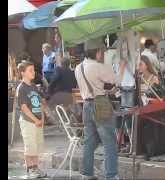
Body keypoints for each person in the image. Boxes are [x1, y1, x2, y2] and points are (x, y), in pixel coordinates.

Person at [75, 37, 119, 180]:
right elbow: (114, 80)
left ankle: (87, 174)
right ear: (97, 52)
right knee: (109, 142)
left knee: (89, 142)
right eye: (102, 52)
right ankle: (111, 175)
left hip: (86, 105)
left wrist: (104, 91)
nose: (102, 55)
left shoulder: (78, 67)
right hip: (100, 104)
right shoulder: (97, 66)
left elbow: (93, 87)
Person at [15, 61, 47, 178]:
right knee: (30, 146)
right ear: (22, 73)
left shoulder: (33, 86)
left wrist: (42, 118)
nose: (33, 72)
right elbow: (24, 108)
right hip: (28, 122)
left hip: (38, 121)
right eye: (30, 70)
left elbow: (40, 102)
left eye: (33, 70)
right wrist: (35, 120)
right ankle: (30, 168)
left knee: (37, 146)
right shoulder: (21, 88)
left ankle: (36, 167)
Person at [46, 57, 77, 125]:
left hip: (59, 94)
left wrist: (49, 90)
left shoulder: (58, 69)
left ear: (61, 63)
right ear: (69, 64)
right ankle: (66, 115)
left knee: (45, 102)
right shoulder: (72, 72)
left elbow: (54, 80)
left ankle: (55, 119)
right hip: (69, 94)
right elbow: (74, 84)